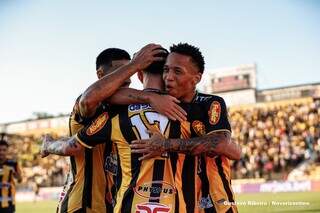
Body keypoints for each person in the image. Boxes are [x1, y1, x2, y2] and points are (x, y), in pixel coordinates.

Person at [41, 44, 187, 213]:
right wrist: (137, 69)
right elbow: (85, 107)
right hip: (83, 203)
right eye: (121, 72)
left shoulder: (126, 107)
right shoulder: (91, 103)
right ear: (100, 75)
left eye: (130, 74)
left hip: (112, 202)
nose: (126, 78)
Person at [130, 43, 240, 212]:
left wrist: (166, 145)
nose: (169, 77)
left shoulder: (210, 103)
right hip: (180, 201)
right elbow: (112, 96)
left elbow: (221, 143)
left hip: (214, 199)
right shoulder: (161, 103)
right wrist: (148, 97)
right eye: (166, 70)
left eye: (177, 71)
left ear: (196, 78)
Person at [0, 139, 22, 213]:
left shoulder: (13, 164)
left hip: (8, 202)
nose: (1, 152)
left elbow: (20, 179)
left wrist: (18, 176)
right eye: (0, 150)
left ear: (7, 151)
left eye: (4, 150)